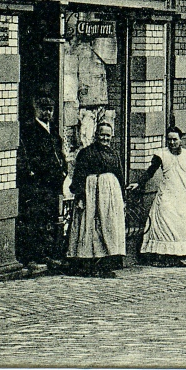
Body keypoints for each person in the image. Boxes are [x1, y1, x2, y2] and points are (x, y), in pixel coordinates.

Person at [130, 126, 186, 266]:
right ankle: (162, 257)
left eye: (175, 139)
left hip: (181, 196)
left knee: (180, 227)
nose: (172, 142)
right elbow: (150, 171)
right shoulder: (161, 155)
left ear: (181, 140)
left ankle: (176, 257)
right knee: (163, 224)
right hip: (166, 195)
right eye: (169, 140)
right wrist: (138, 183)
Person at [66, 119, 126, 278]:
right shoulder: (86, 153)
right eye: (101, 135)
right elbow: (79, 176)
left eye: (108, 136)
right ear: (96, 135)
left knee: (108, 226)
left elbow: (120, 176)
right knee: (91, 226)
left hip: (110, 196)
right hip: (91, 193)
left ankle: (105, 262)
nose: (104, 138)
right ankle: (89, 263)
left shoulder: (113, 154)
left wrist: (123, 198)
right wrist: (79, 196)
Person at [16, 95, 67, 271]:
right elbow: (30, 159)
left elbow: (59, 155)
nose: (47, 113)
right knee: (33, 221)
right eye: (43, 109)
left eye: (50, 109)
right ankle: (30, 257)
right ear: (36, 109)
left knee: (49, 220)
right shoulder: (29, 131)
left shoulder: (53, 133)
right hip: (38, 185)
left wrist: (64, 169)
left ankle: (46, 254)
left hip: (53, 186)